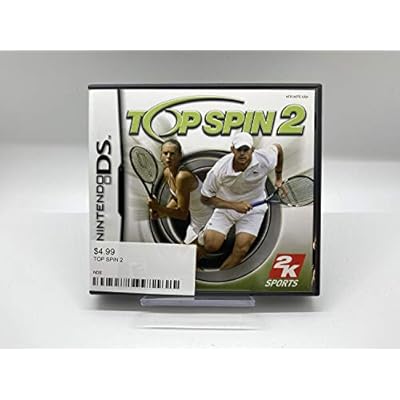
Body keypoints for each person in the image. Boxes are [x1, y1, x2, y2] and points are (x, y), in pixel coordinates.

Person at [199, 132, 284, 270]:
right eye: (239, 149)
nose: (242, 153)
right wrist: (234, 206)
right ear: (232, 150)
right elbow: (205, 198)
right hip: (226, 207)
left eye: (246, 149)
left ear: (253, 150)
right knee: (211, 245)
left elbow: (278, 149)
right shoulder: (219, 170)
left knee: (241, 250)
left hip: (255, 209)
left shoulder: (265, 159)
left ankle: (221, 278)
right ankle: (200, 242)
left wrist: (279, 177)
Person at [148, 139, 213, 246]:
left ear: (180, 156)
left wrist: (159, 208)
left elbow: (183, 214)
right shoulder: (167, 173)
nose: (168, 157)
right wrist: (160, 213)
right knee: (184, 253)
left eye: (172, 154)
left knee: (191, 254)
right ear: (161, 156)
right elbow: (176, 198)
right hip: (196, 223)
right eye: (165, 153)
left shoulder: (183, 177)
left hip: (211, 220)